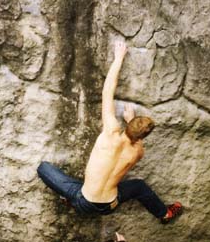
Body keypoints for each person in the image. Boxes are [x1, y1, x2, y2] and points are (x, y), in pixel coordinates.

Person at [37, 40, 183, 224]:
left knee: (43, 168)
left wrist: (118, 58)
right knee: (139, 186)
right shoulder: (138, 152)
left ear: (127, 125)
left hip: (83, 202)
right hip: (110, 206)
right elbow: (135, 140)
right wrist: (133, 124)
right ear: (143, 136)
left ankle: (70, 199)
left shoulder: (110, 133)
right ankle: (164, 214)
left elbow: (108, 92)